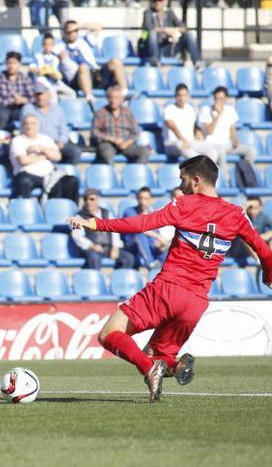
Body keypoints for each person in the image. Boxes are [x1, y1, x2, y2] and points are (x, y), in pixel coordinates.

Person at [69, 155, 272, 402]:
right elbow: (264, 250)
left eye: (183, 179)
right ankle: (174, 365)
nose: (181, 185)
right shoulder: (236, 214)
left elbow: (141, 223)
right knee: (153, 354)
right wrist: (268, 276)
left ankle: (149, 370)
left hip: (167, 289)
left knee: (110, 334)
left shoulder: (183, 204)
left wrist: (95, 224)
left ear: (196, 181)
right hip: (196, 303)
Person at [9, 114, 79, 202]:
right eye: (26, 123)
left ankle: (70, 211)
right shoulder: (17, 140)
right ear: (23, 125)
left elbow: (57, 156)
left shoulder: (46, 139)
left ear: (38, 126)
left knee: (72, 181)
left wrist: (42, 148)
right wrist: (45, 156)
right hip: (27, 174)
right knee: (24, 182)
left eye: (33, 123)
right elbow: (23, 160)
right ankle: (28, 212)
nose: (29, 126)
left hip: (49, 175)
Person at [60, 21, 127, 102]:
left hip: (94, 72)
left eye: (75, 30)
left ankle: (124, 94)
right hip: (77, 77)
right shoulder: (61, 46)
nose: (72, 33)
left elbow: (98, 27)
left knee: (115, 62)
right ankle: (89, 97)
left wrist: (80, 25)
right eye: (69, 32)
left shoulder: (85, 40)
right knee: (83, 66)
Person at [71, 188, 135, 270]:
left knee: (129, 258)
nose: (88, 202)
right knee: (94, 258)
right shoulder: (79, 216)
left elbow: (114, 231)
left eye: (92, 199)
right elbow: (77, 236)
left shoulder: (107, 213)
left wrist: (115, 247)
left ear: (97, 200)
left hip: (108, 247)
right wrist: (93, 246)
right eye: (86, 199)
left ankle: (119, 280)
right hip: (91, 249)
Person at [199, 86, 255, 173]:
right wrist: (218, 115)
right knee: (221, 152)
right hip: (212, 144)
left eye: (221, 98)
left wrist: (235, 140)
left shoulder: (230, 110)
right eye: (216, 98)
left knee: (250, 151)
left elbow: (232, 129)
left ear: (225, 99)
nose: (217, 101)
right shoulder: (206, 110)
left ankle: (245, 175)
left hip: (227, 144)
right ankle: (225, 179)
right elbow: (209, 131)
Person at [140, 0, 202, 68]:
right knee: (152, 34)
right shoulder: (147, 13)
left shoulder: (169, 12)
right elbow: (149, 27)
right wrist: (165, 30)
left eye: (160, 0)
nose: (157, 3)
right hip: (151, 48)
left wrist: (175, 32)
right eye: (154, 0)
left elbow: (183, 27)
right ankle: (155, 62)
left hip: (167, 46)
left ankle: (197, 62)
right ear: (151, 2)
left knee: (188, 35)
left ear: (165, 1)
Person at [21, 84, 79, 165]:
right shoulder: (28, 109)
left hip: (56, 143)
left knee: (74, 151)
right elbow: (25, 128)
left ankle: (66, 172)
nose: (40, 97)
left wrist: (61, 142)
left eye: (42, 94)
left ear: (49, 95)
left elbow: (64, 130)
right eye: (38, 95)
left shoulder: (57, 109)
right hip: (38, 143)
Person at [91, 85, 150, 164]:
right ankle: (110, 173)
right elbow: (95, 133)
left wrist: (127, 143)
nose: (113, 100)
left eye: (116, 98)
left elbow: (135, 132)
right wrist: (112, 139)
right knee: (106, 153)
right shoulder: (100, 113)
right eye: (111, 97)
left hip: (126, 143)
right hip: (108, 144)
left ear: (121, 99)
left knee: (143, 152)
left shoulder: (128, 113)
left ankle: (134, 172)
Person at [162, 83, 216, 163]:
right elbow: (173, 127)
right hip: (172, 144)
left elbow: (193, 125)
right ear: (175, 96)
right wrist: (182, 140)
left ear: (188, 96)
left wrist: (198, 133)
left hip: (189, 142)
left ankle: (206, 171)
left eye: (184, 95)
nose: (181, 98)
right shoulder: (169, 109)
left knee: (211, 149)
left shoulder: (190, 109)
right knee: (181, 146)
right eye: (179, 95)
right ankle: (201, 166)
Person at [122, 187, 168, 269]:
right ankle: (150, 264)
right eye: (140, 198)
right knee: (140, 236)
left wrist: (160, 244)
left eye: (145, 199)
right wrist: (158, 237)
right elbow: (138, 228)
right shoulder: (129, 211)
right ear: (137, 198)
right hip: (131, 244)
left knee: (163, 252)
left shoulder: (152, 214)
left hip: (148, 244)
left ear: (150, 200)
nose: (142, 202)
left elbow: (155, 235)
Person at [0, 51, 34, 132]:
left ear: (19, 64)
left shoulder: (25, 78)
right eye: (9, 63)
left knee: (28, 111)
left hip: (18, 109)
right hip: (1, 108)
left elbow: (32, 97)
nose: (11, 66)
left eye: (14, 63)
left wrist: (24, 100)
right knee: (1, 115)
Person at [29, 33, 76, 103]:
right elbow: (31, 68)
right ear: (42, 45)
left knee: (72, 94)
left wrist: (53, 73)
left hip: (55, 84)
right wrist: (43, 70)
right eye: (45, 44)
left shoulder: (56, 58)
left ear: (53, 45)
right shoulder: (38, 56)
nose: (48, 47)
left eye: (50, 45)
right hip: (43, 84)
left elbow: (58, 75)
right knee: (52, 97)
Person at [228, 196, 272, 265]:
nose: (252, 211)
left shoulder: (263, 217)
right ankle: (259, 260)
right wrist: (245, 207)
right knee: (245, 238)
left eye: (255, 208)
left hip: (255, 246)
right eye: (250, 208)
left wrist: (267, 235)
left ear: (260, 208)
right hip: (238, 249)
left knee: (268, 238)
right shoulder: (243, 216)